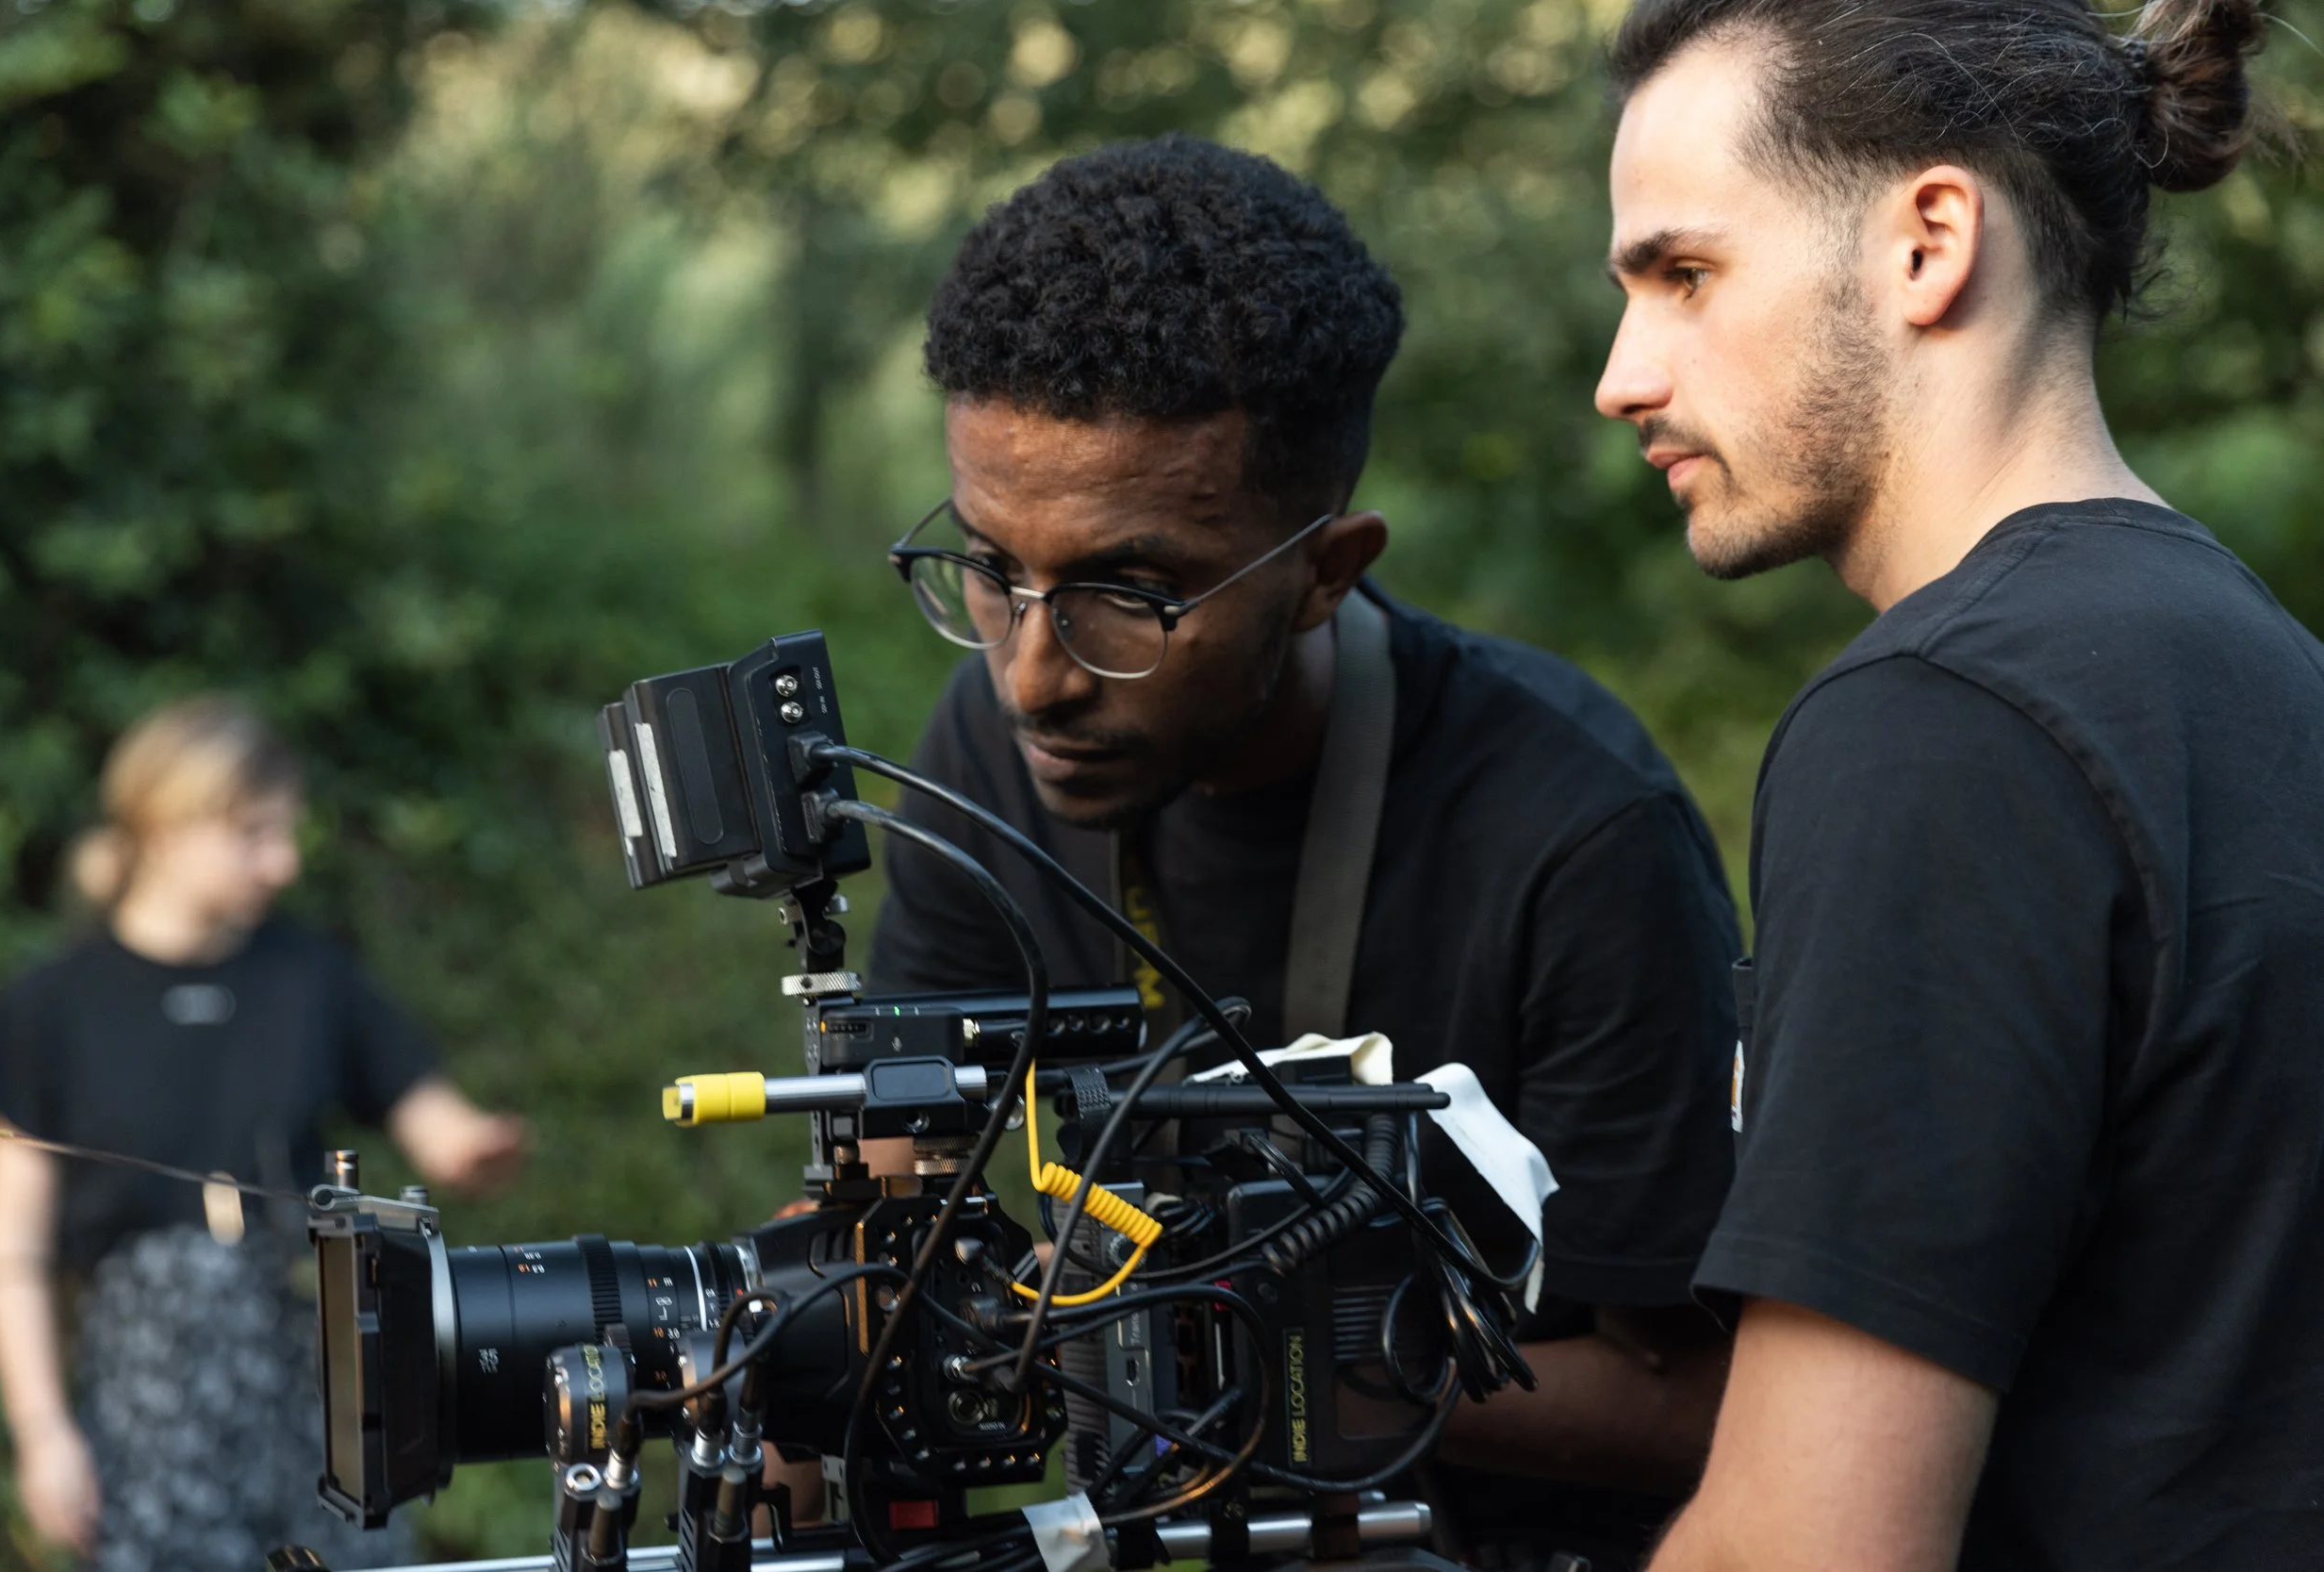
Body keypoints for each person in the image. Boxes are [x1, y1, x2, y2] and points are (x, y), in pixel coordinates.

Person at [865, 134, 1741, 1570]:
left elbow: (1697, 1404)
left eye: (1129, 594)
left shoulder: (1575, 840)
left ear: (1327, 572)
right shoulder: (987, 749)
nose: (1031, 675)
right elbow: (892, 1194)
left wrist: (1227, 1358)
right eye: (989, 568)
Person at [1592, 2, 2323, 1568]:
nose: (1622, 375)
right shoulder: (2261, 667)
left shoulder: (1941, 725)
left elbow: (1810, 1543)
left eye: (1685, 274)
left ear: (1929, 242)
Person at [0, 696, 531, 1570]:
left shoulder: (310, 972)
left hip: (323, 1371)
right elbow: (11, 1244)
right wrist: (43, 1432)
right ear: (166, 826)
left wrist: (470, 1144)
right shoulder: (51, 1007)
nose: (282, 861)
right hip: (147, 1399)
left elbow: (430, 1113)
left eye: (286, 831)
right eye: (255, 833)